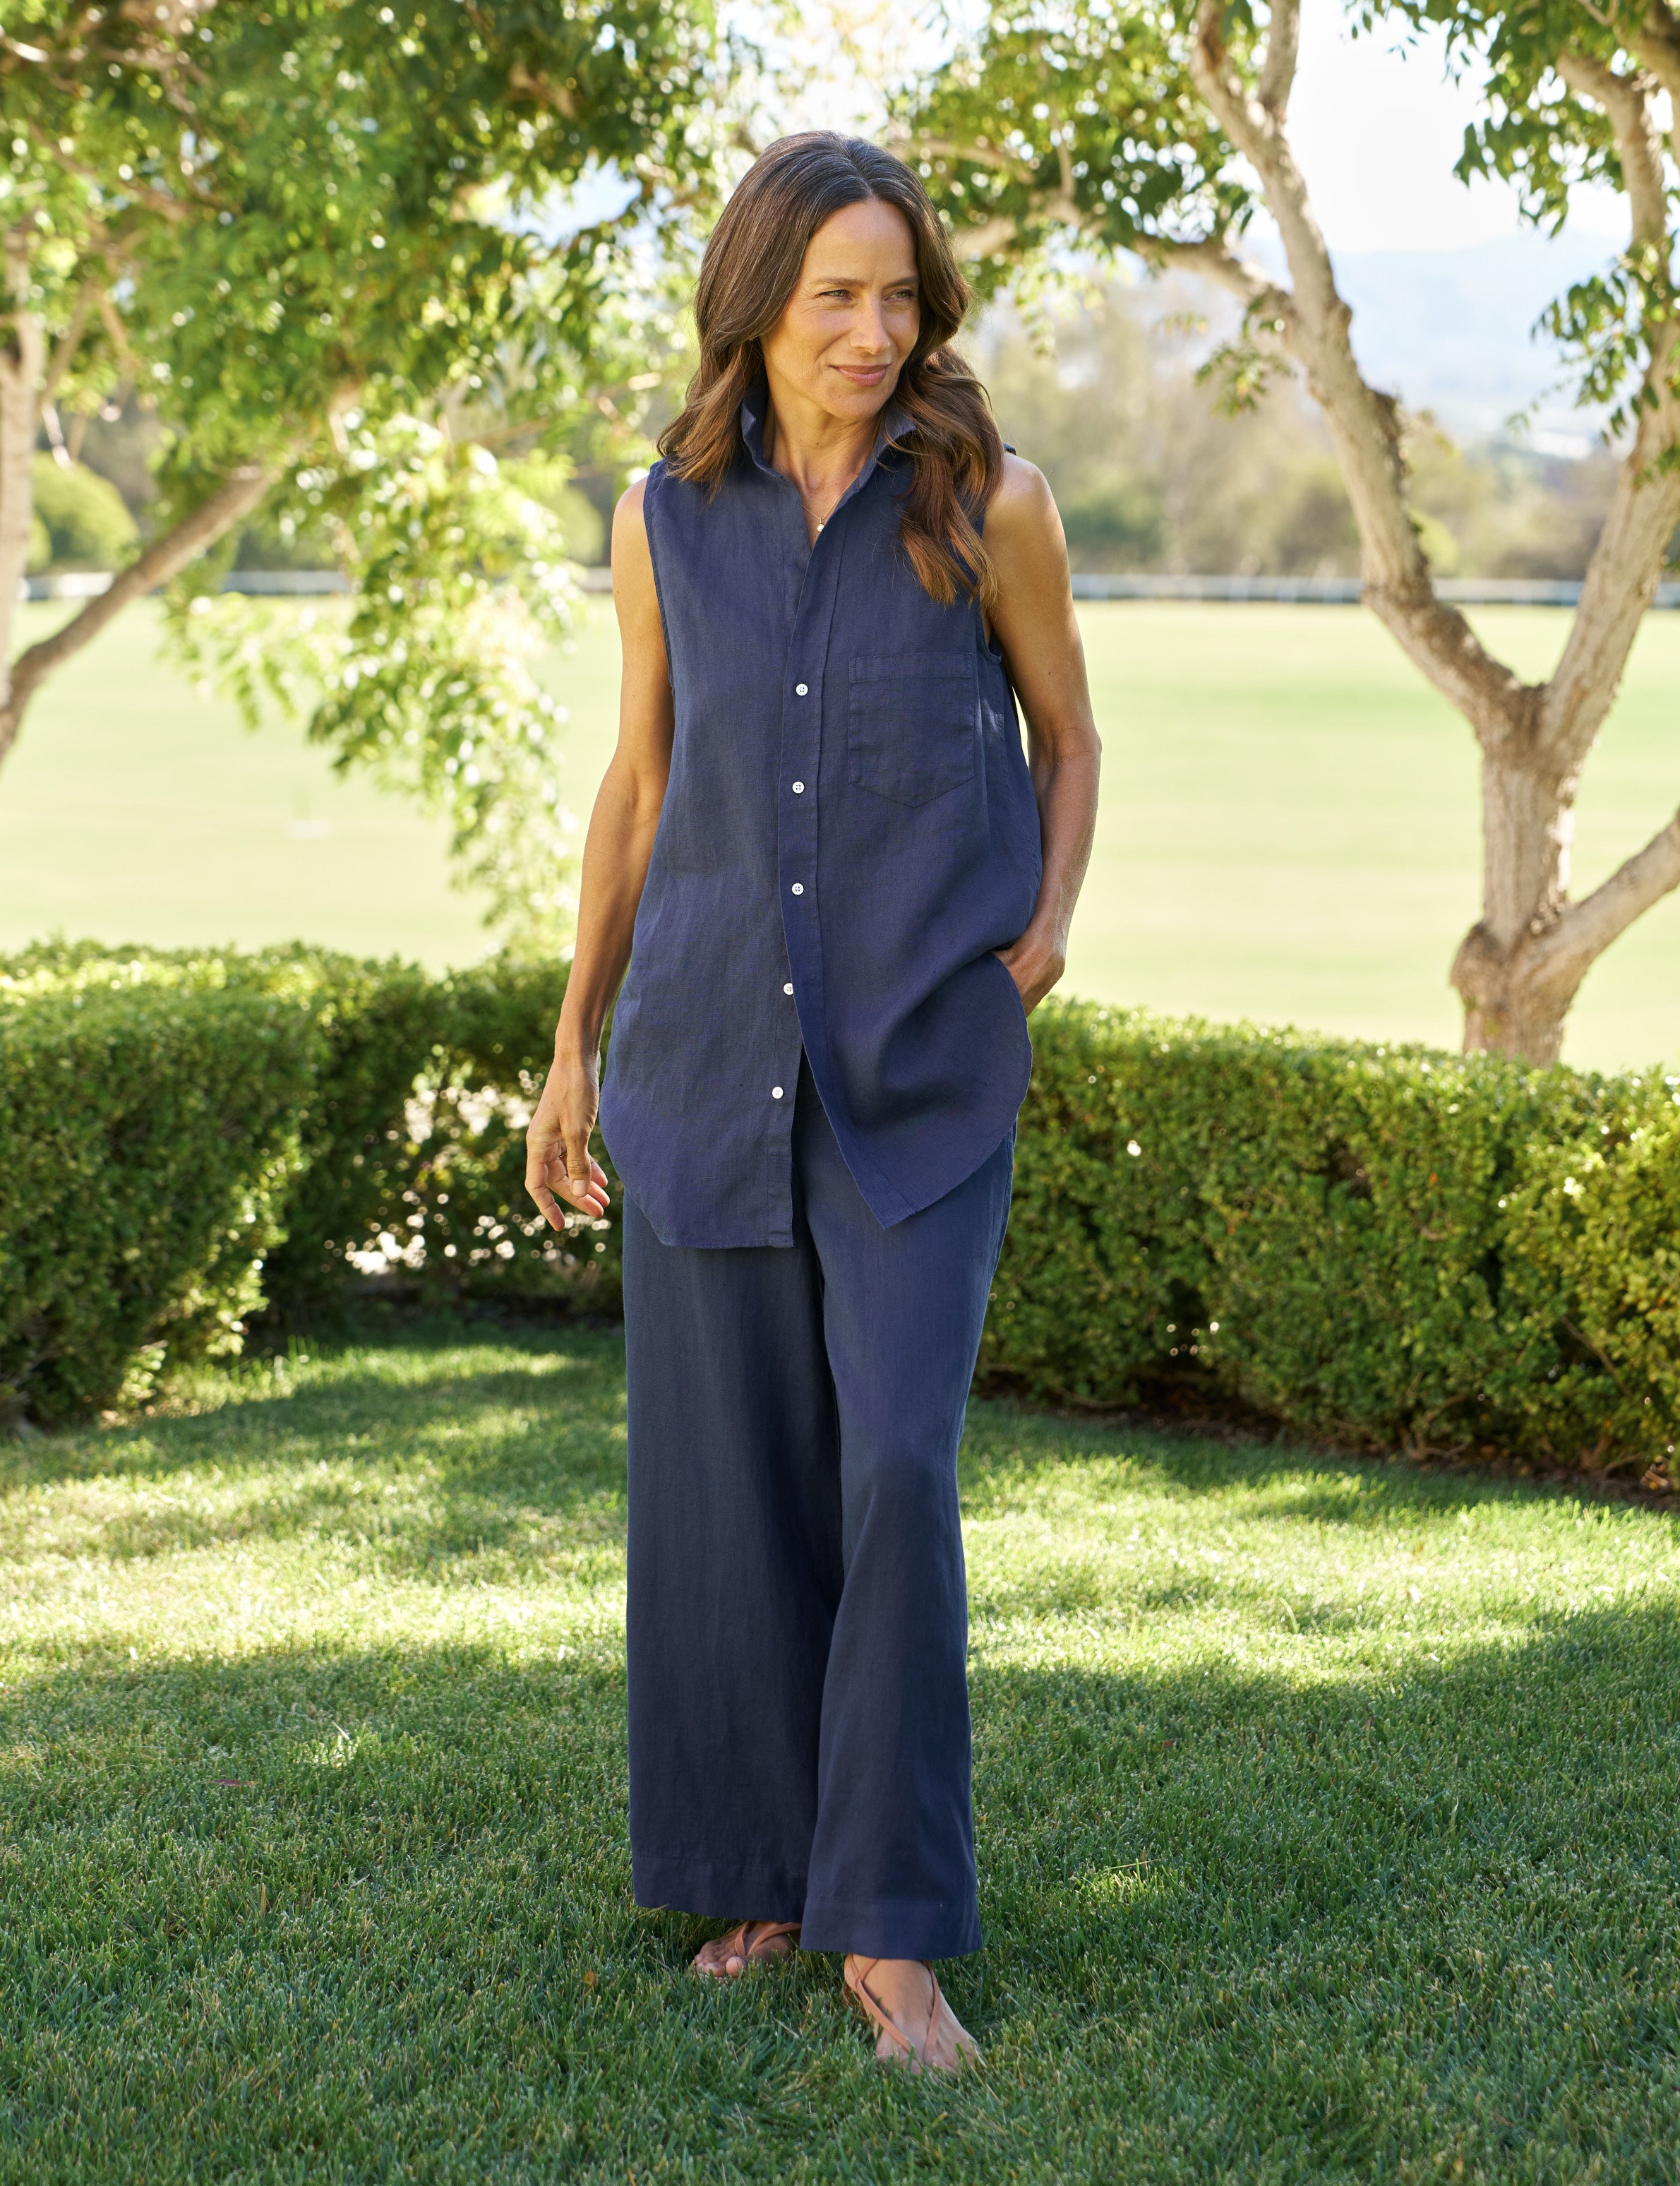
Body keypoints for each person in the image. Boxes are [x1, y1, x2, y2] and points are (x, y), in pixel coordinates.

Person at [524, 131, 1100, 2074]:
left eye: (898, 293)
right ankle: (768, 1874)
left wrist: (1039, 934)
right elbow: (637, 783)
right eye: (833, 293)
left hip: (920, 1071)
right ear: (758, 302)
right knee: (733, 1490)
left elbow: (1068, 730)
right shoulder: (662, 516)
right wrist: (572, 1036)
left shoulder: (986, 502)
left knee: (895, 1471)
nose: (873, 329)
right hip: (700, 1050)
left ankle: (891, 1929)